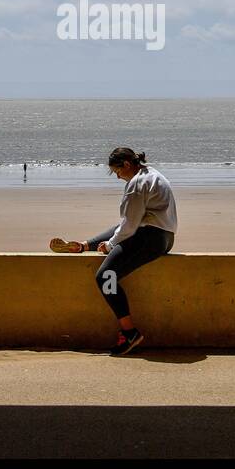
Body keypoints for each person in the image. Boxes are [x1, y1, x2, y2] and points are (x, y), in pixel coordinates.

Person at [49, 147, 177, 356]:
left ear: (127, 165)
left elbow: (129, 226)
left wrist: (110, 245)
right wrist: (112, 240)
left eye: (117, 172)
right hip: (165, 237)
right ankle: (84, 245)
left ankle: (129, 332)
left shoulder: (136, 185)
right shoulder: (153, 174)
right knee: (118, 228)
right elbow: (129, 225)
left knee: (105, 277)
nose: (118, 177)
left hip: (148, 238)